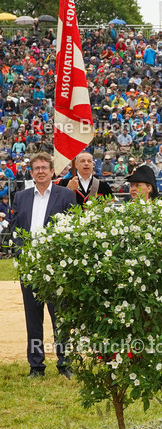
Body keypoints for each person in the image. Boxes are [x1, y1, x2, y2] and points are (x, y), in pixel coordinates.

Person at [11, 152, 77, 378]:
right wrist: (21, 252)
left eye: (44, 168)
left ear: (52, 172)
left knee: (60, 317)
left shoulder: (66, 195)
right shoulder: (20, 197)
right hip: (30, 268)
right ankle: (36, 366)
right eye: (36, 168)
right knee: (33, 318)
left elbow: (72, 228)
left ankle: (64, 363)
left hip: (56, 268)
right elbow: (15, 229)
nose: (40, 171)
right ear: (31, 172)